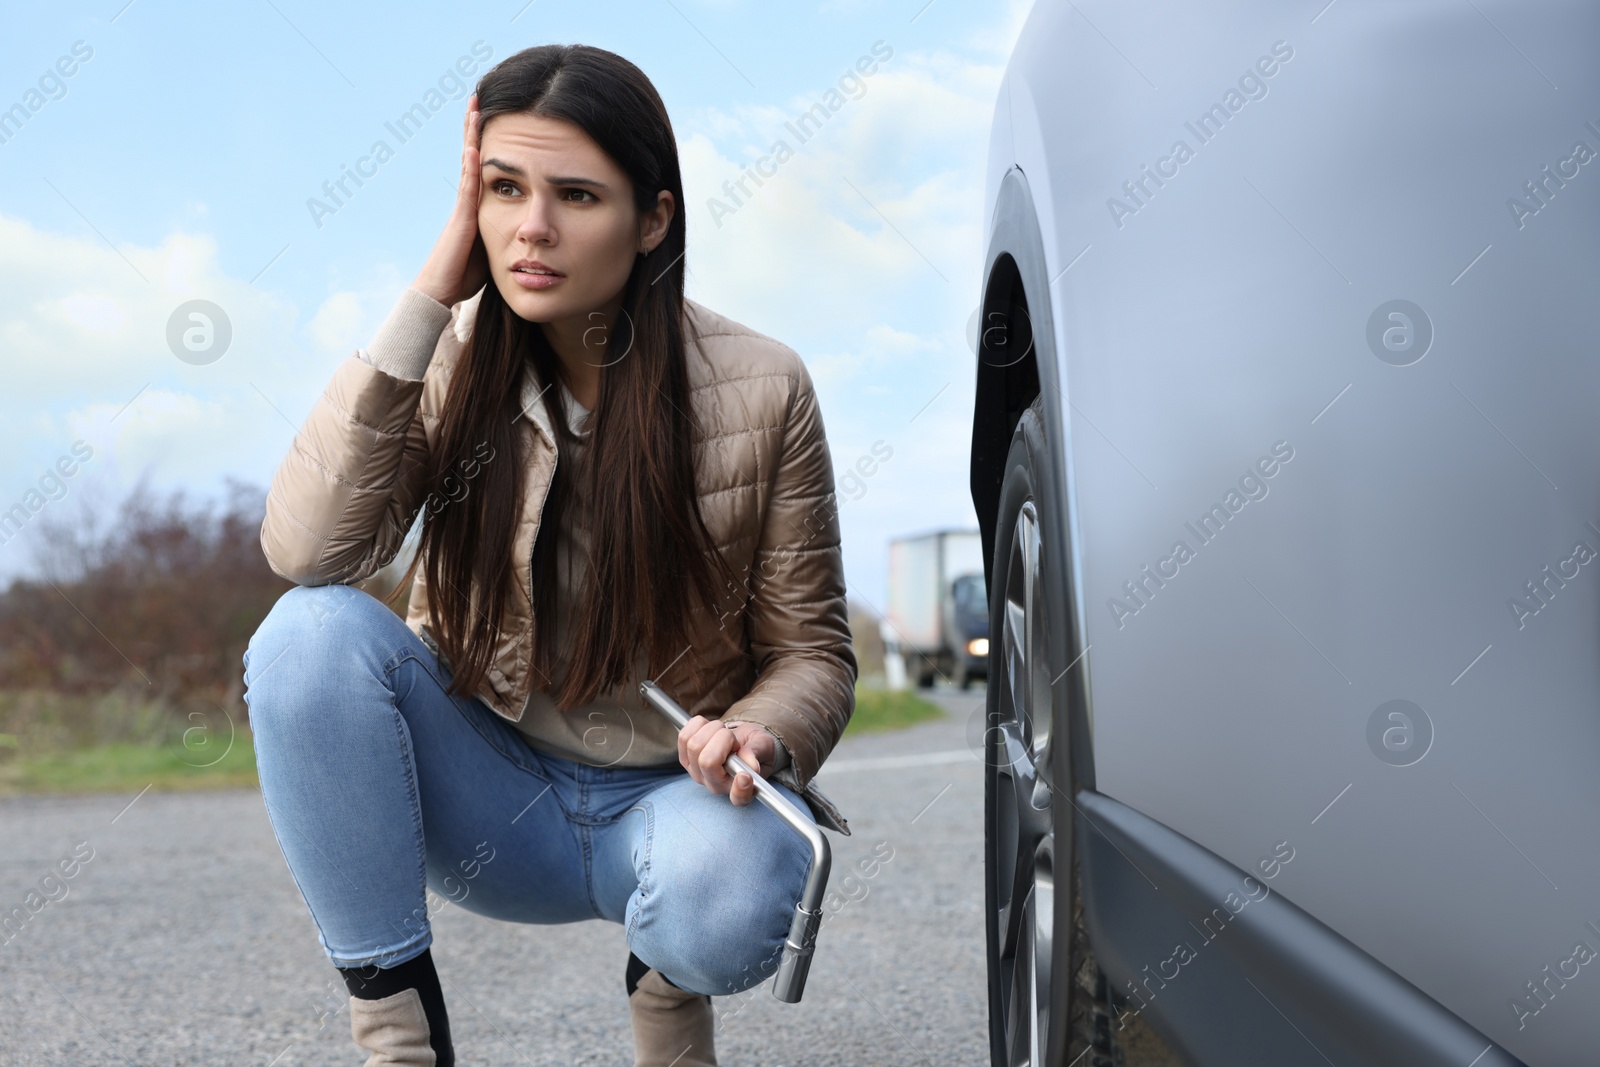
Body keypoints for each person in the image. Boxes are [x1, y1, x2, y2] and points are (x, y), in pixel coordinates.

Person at [242, 43, 856, 1067]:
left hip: (672, 806)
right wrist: (433, 292)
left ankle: (665, 994)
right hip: (491, 794)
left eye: (576, 194)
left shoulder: (763, 386)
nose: (531, 227)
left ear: (652, 217)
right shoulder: (447, 355)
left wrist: (755, 731)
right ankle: (398, 1034)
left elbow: (815, 653)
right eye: (502, 189)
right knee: (308, 634)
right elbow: (309, 549)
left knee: (734, 889)